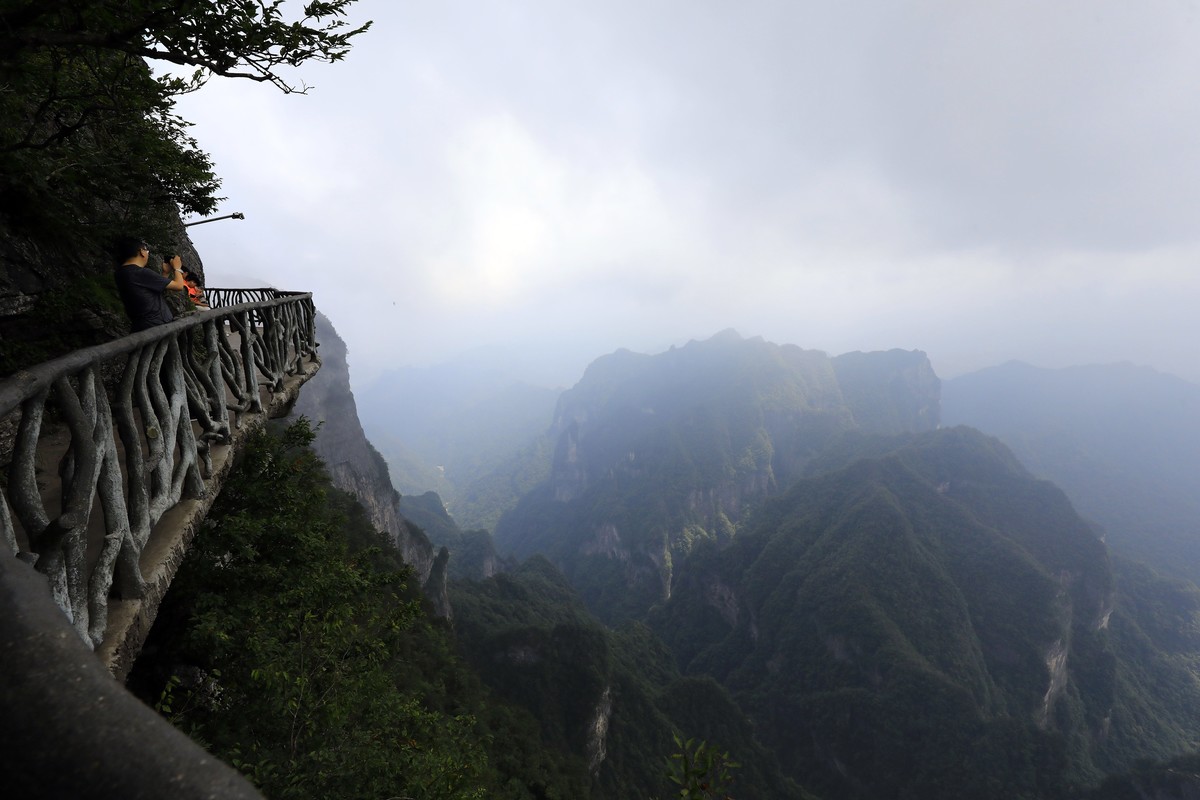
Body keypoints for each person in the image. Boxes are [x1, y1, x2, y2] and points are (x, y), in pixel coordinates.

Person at [112, 236, 188, 331]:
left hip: (142, 326)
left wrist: (166, 273)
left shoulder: (121, 273)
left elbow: (149, 294)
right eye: (146, 250)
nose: (147, 253)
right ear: (141, 252)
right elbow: (179, 286)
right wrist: (177, 268)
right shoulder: (140, 273)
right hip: (158, 328)